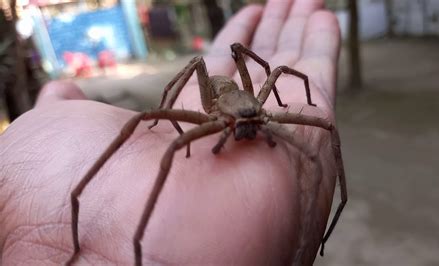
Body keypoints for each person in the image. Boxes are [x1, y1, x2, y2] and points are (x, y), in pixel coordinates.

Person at [0, 0, 342, 264]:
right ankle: (134, 241)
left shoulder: (261, 105)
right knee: (168, 125)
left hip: (246, 100)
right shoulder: (211, 113)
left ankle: (335, 217)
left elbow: (277, 70)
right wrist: (164, 109)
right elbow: (174, 129)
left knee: (318, 137)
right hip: (222, 100)